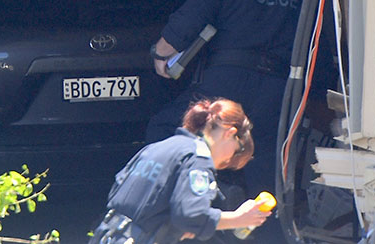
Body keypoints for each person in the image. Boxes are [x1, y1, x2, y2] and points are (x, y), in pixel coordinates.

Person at [147, 0, 300, 242]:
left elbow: (185, 23)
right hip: (277, 89)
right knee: (265, 166)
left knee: (165, 130)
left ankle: (189, 214)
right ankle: (268, 234)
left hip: (225, 84)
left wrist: (161, 55)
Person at [92, 98, 270, 243]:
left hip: (107, 236)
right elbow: (191, 216)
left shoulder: (158, 148)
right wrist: (239, 219)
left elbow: (122, 194)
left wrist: (173, 227)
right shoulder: (197, 158)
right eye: (236, 152)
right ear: (230, 133)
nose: (228, 161)